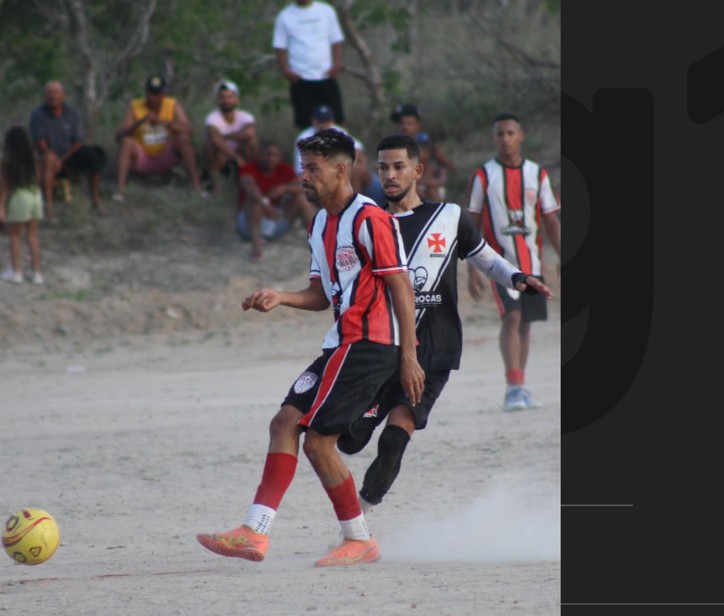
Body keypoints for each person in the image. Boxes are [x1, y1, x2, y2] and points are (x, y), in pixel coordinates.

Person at [196, 128, 424, 567]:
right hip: (340, 344)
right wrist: (281, 297)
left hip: (371, 346)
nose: (303, 176)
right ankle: (254, 533)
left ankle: (359, 539)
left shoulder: (370, 218)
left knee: (320, 442)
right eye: (303, 167)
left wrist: (409, 356)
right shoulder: (320, 223)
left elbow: (401, 287)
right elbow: (321, 295)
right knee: (284, 422)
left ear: (341, 170)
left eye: (312, 168)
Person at [335, 134, 552, 522]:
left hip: (435, 348)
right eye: (383, 167)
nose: (390, 174)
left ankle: (357, 524)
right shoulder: (370, 221)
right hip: (383, 346)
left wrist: (517, 277)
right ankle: (355, 518)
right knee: (351, 439)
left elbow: (485, 258)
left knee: (393, 439)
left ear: (417, 170)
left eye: (399, 166)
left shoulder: (448, 216)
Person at [466, 113, 561, 411]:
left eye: (510, 133)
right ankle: (512, 388)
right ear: (494, 138)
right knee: (513, 317)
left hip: (532, 262)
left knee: (526, 323)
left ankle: (520, 383)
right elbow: (471, 225)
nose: (505, 139)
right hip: (499, 264)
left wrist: (560, 257)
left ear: (521, 136)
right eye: (499, 134)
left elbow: (550, 220)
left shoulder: (538, 174)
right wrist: (472, 269)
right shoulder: (484, 176)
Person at [112, 74, 205, 202]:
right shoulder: (135, 106)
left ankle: (197, 187)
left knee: (183, 139)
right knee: (126, 142)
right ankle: (120, 191)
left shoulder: (172, 105)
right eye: (149, 93)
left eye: (156, 94)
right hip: (142, 157)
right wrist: (139, 122)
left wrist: (163, 122)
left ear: (163, 94)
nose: (152, 97)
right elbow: (119, 136)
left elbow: (189, 130)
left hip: (166, 155)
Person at [28, 80, 107, 217]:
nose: (53, 96)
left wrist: (62, 159)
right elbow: (41, 143)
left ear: (63, 95)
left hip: (70, 155)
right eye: (49, 93)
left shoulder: (74, 114)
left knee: (95, 154)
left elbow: (77, 142)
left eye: (56, 93)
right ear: (45, 97)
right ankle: (49, 206)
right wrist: (55, 160)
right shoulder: (38, 115)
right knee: (48, 158)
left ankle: (96, 200)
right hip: (49, 157)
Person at [236, 140, 316, 262]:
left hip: (274, 222)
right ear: (259, 155)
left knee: (301, 199)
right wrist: (266, 207)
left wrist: (285, 188)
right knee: (253, 200)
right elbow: (249, 187)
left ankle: (320, 241)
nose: (270, 158)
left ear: (279, 157)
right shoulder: (249, 168)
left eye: (274, 155)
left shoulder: (284, 169)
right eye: (267, 154)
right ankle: (256, 247)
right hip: (249, 225)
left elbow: (303, 188)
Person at [272, 0, 346, 130]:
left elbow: (336, 40)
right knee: (305, 125)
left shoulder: (326, 11)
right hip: (301, 79)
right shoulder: (285, 16)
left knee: (337, 122)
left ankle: (340, 149)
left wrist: (337, 65)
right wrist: (285, 70)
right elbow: (280, 46)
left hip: (326, 76)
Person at [293, 104, 384, 206]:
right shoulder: (305, 137)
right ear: (313, 121)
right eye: (320, 121)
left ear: (332, 121)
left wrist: (356, 164)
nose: (324, 125)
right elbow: (301, 172)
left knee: (358, 171)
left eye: (327, 121)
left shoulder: (338, 131)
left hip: (343, 172)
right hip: (323, 177)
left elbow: (358, 149)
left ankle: (358, 206)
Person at [0, 126, 45, 285]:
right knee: (32, 236)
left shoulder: (9, 161)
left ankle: (16, 271)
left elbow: (5, 186)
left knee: (15, 235)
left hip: (20, 196)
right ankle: (37, 273)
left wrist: (1, 207)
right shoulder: (34, 158)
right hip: (35, 194)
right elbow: (38, 178)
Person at [391, 103, 457, 201]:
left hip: (430, 186)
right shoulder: (393, 145)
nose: (405, 127)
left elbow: (444, 164)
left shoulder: (427, 143)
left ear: (418, 125)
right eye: (402, 123)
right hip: (407, 187)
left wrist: (441, 178)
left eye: (409, 123)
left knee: (431, 192)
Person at [203, 79, 258, 197]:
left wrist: (224, 137)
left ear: (236, 100)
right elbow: (213, 137)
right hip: (222, 158)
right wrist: (236, 158)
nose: (226, 100)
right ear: (218, 100)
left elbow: (249, 133)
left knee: (252, 142)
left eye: (230, 97)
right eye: (222, 97)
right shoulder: (212, 118)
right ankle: (216, 189)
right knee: (210, 145)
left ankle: (251, 179)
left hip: (241, 155)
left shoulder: (245, 116)